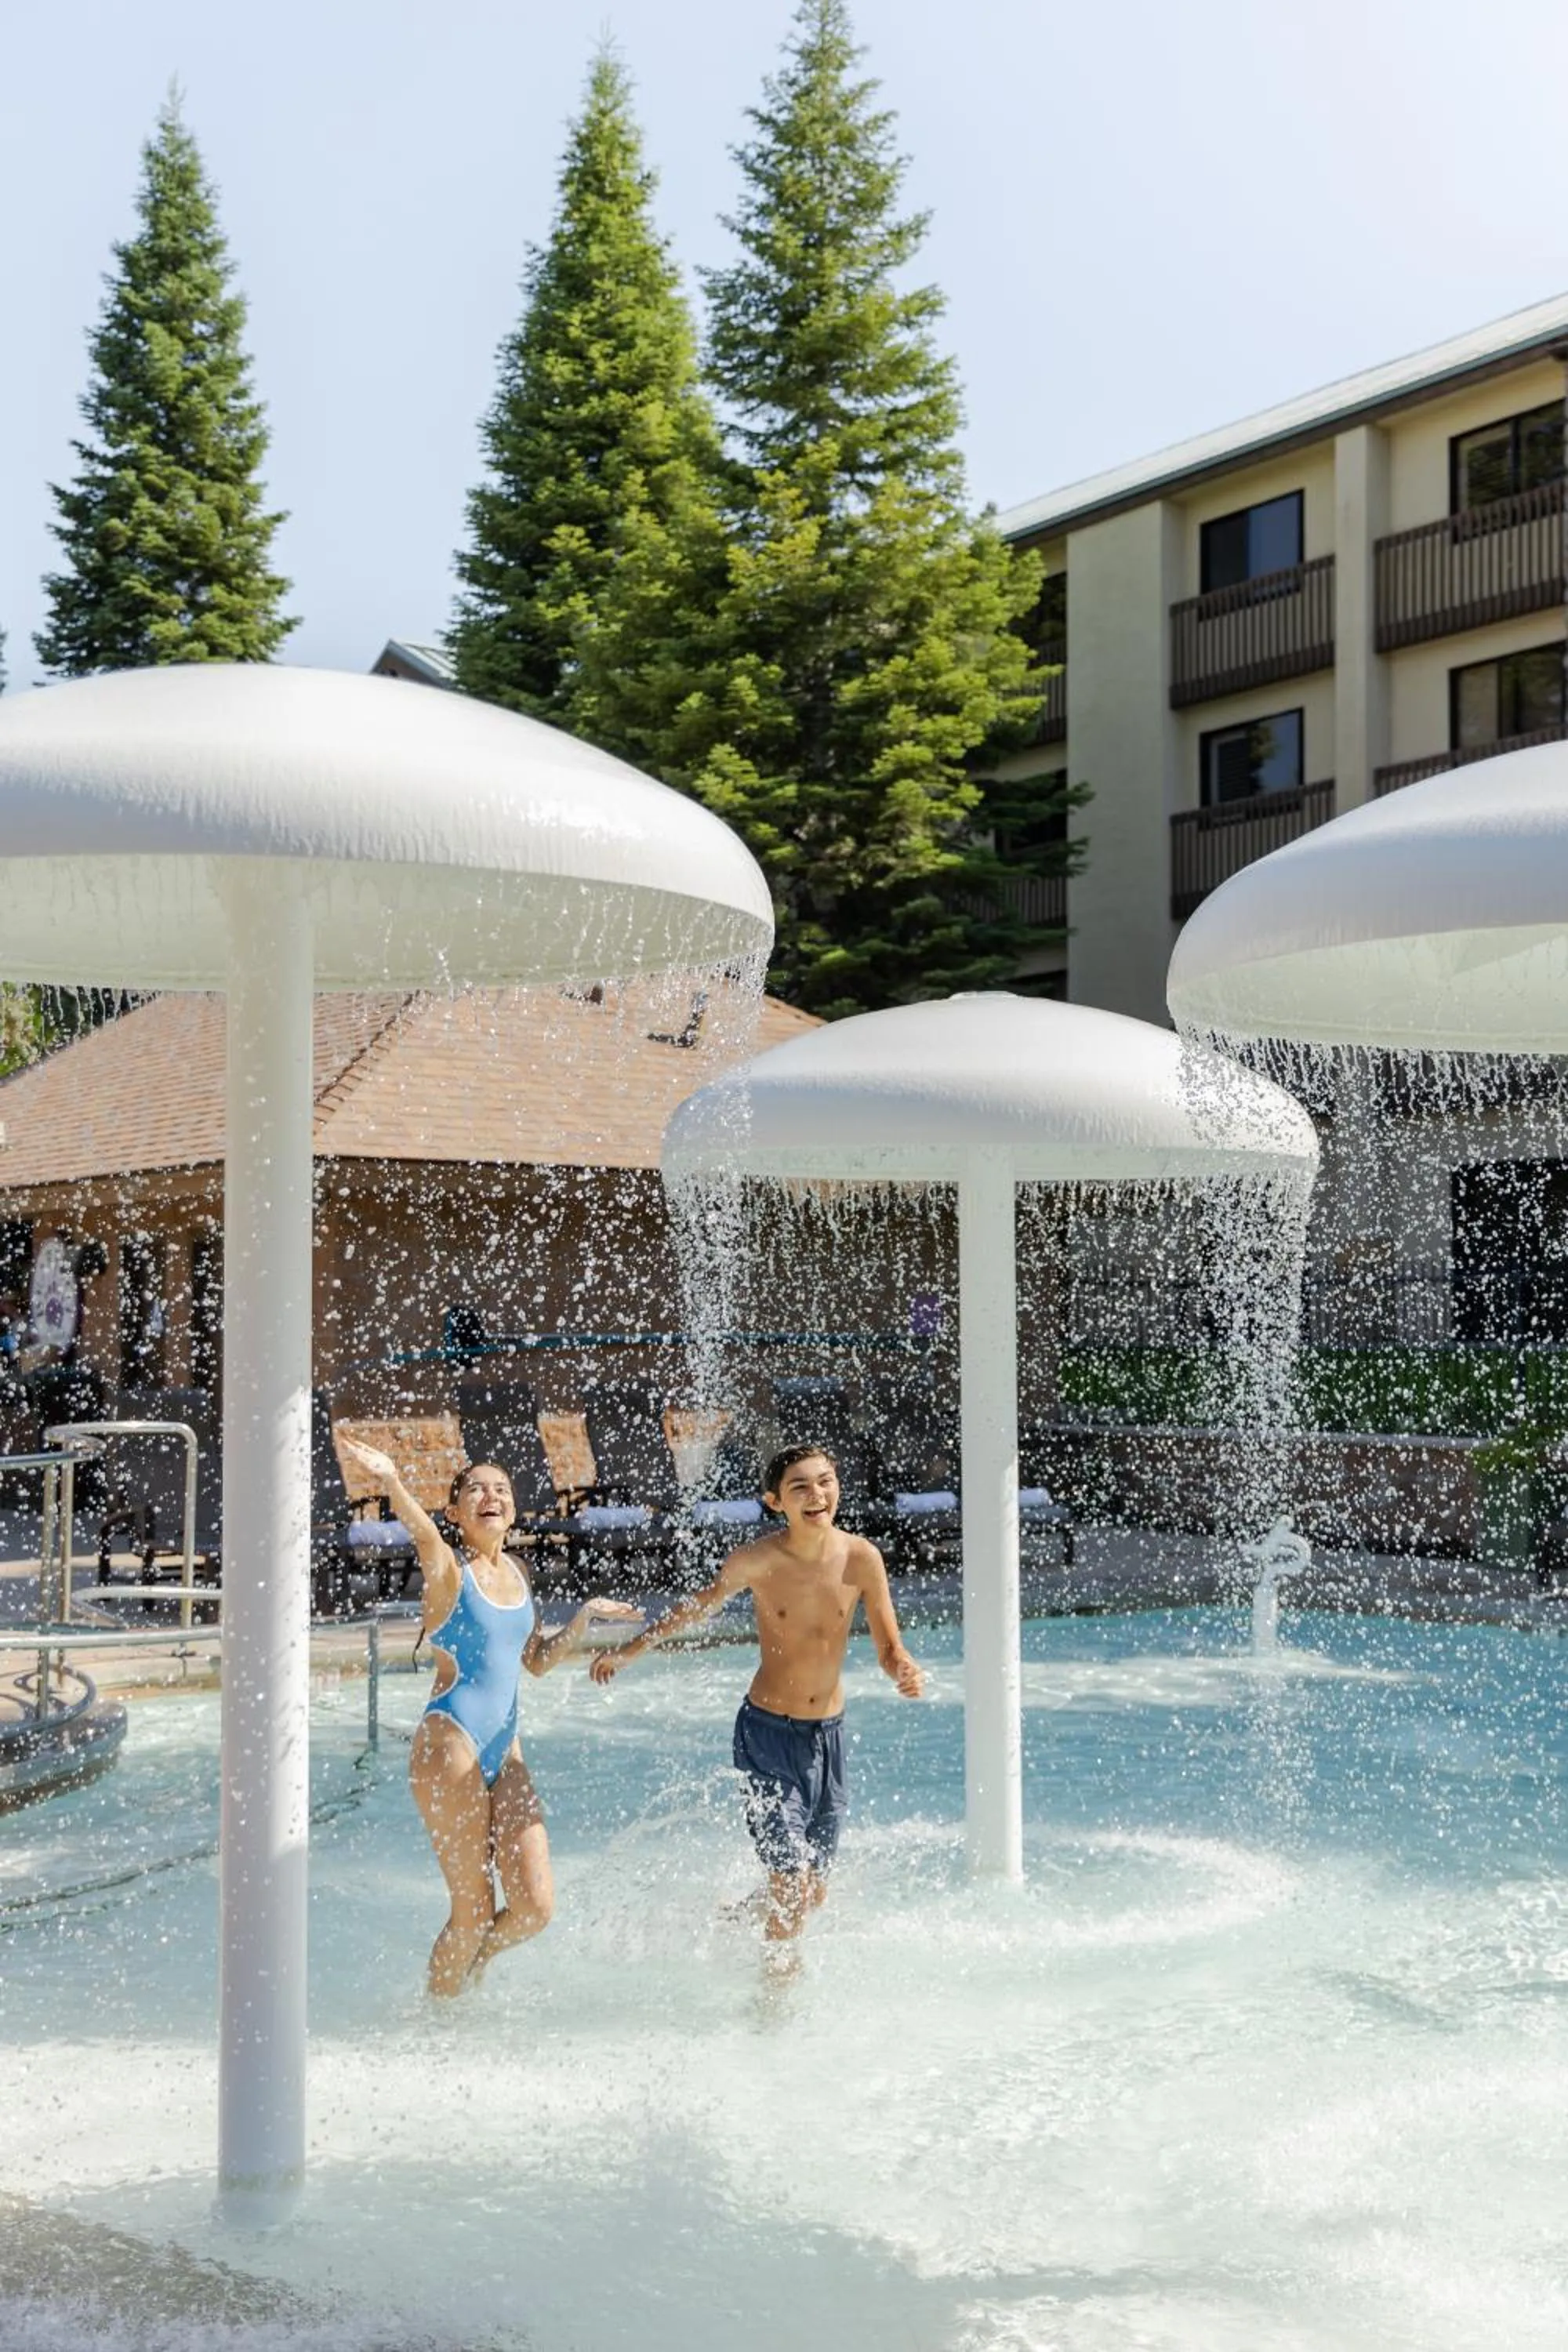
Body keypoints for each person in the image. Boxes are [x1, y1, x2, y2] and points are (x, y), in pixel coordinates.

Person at [337, 1439, 641, 1997]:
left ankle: (469, 1969)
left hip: (507, 1748)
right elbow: (422, 1535)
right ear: (456, 1512)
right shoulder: (451, 1572)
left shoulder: (520, 1572)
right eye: (475, 1488)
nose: (490, 1495)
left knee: (534, 1907)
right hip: (450, 1744)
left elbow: (537, 1662)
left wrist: (585, 1618)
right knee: (472, 1912)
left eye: (501, 1488)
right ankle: (442, 2021)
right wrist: (393, 1481)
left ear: (515, 1510)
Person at [590, 1443, 924, 1944]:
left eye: (826, 1480)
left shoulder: (861, 1559)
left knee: (811, 1892)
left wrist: (903, 1669)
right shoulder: (758, 1560)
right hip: (767, 1736)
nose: (817, 1495)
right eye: (801, 1487)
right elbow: (696, 1607)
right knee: (792, 1889)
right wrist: (631, 1650)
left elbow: (889, 1648)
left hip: (827, 1740)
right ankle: (773, 2007)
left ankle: (738, 1919)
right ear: (775, 1502)